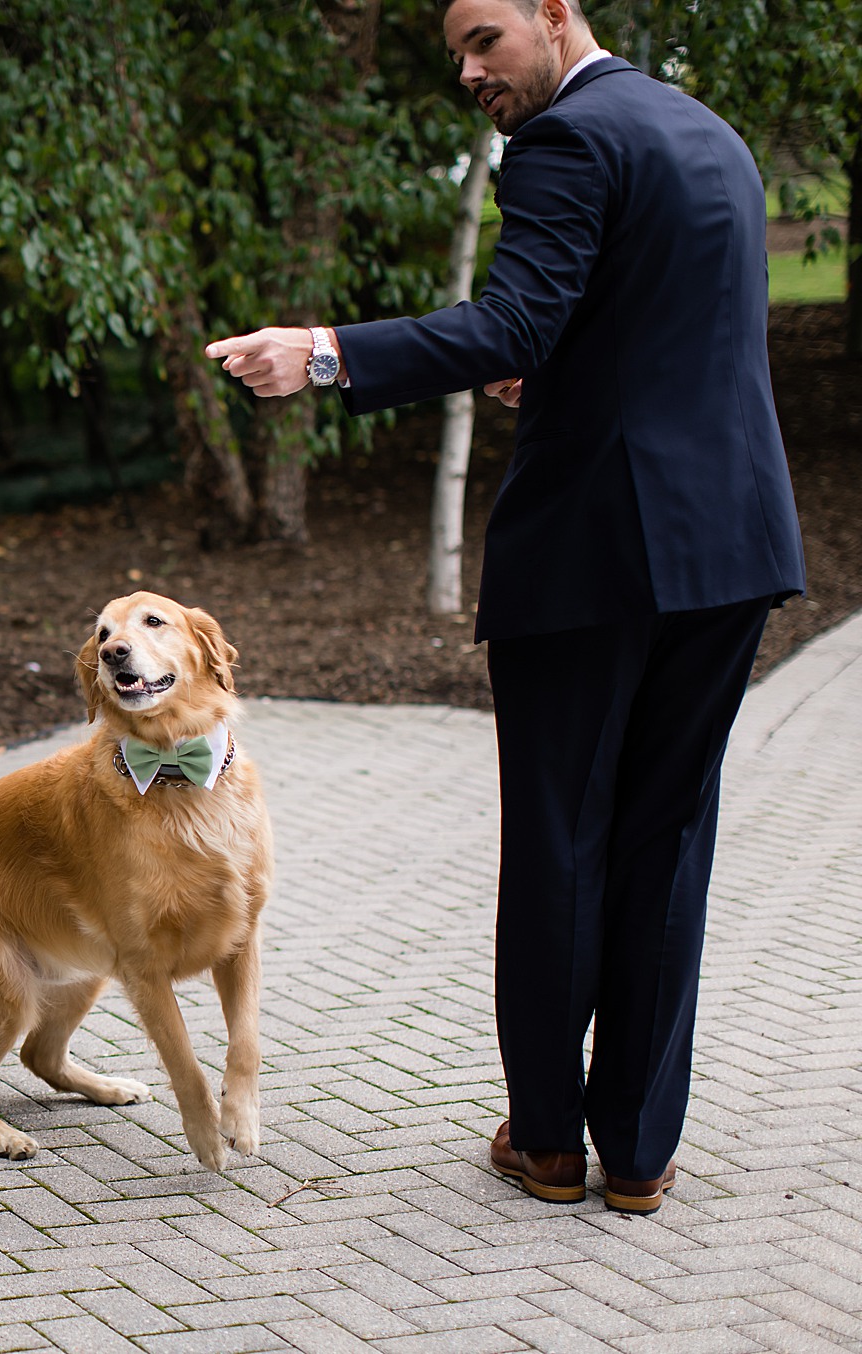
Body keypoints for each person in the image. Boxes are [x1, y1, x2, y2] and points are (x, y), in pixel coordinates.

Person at [202, 0, 804, 1215]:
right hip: (732, 541)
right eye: (456, 57)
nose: (471, 72)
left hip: (595, 553)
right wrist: (561, 370)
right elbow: (656, 328)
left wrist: (323, 353)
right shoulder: (707, 134)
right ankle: (636, 1150)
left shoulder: (563, 142)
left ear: (555, 13)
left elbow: (518, 318)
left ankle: (545, 1141)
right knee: (665, 841)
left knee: (559, 841)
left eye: (486, 40)